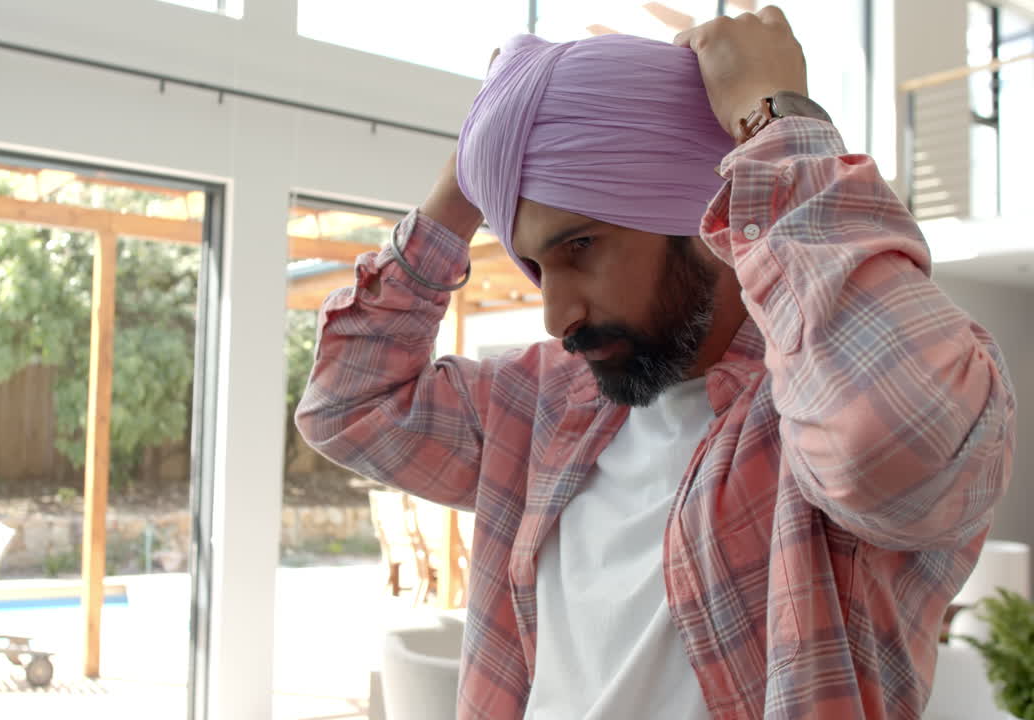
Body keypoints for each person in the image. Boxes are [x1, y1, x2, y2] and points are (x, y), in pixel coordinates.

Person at [296, 7, 1016, 720]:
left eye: (580, 247)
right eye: (539, 267)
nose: (557, 315)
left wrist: (782, 125)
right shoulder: (544, 402)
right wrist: (465, 182)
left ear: (702, 213)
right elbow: (347, 405)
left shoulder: (816, 412)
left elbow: (894, 444)